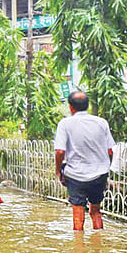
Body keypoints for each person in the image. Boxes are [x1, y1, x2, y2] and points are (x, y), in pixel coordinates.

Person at [54, 91, 115, 232]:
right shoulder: (101, 123)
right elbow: (110, 151)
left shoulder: (65, 124)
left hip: (76, 174)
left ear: (71, 107)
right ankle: (98, 242)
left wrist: (58, 171)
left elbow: (60, 152)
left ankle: (79, 249)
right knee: (96, 211)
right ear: (87, 105)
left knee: (78, 213)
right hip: (99, 174)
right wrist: (105, 167)